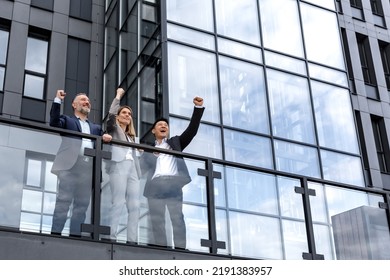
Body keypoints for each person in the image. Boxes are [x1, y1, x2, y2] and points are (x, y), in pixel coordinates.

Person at [142, 96, 204, 249]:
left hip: (173, 185)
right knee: (157, 221)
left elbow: (192, 131)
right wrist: (148, 155)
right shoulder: (147, 148)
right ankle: (161, 251)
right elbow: (141, 168)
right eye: (160, 124)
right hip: (154, 186)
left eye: (166, 125)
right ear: (153, 131)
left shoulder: (176, 142)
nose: (164, 126)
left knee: (177, 219)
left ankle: (181, 250)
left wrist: (198, 109)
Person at [50, 89, 112, 236]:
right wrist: (58, 100)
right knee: (63, 202)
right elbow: (54, 123)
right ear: (74, 104)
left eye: (88, 101)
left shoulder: (96, 128)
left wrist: (107, 137)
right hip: (70, 167)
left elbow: (105, 137)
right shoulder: (67, 120)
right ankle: (55, 236)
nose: (87, 102)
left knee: (81, 207)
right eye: (83, 100)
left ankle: (75, 238)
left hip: (88, 169)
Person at [105, 88, 141, 243]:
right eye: (124, 113)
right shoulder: (113, 129)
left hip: (133, 170)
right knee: (118, 202)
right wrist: (118, 97)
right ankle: (111, 236)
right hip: (119, 165)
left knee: (135, 206)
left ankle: (132, 240)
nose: (128, 115)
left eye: (129, 114)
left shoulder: (132, 137)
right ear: (119, 118)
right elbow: (110, 115)